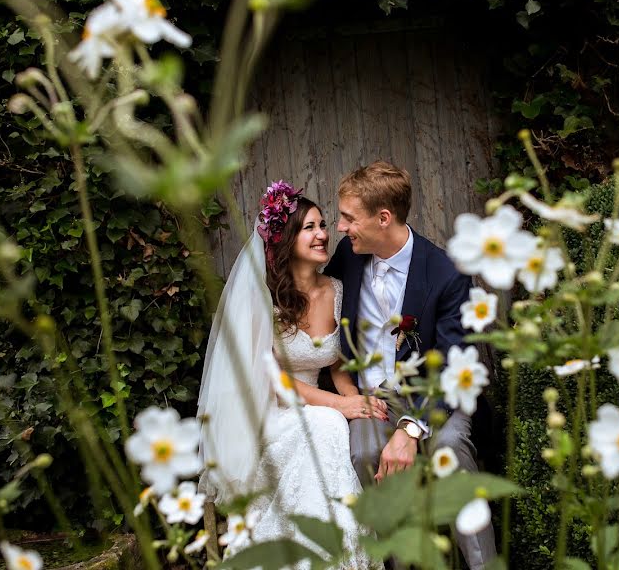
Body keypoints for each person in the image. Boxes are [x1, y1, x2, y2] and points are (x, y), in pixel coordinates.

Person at [197, 181, 385, 568]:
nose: (322, 234)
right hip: (269, 411)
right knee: (328, 425)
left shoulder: (336, 289)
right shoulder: (264, 299)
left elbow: (336, 363)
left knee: (328, 425)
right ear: (285, 239)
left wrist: (357, 400)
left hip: (318, 408)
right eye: (309, 228)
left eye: (322, 225)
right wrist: (340, 404)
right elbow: (270, 379)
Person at [324, 161, 498, 570]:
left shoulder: (447, 274)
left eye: (349, 218)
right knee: (367, 452)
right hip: (373, 396)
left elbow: (455, 364)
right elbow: (313, 296)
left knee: (450, 449)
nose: (340, 227)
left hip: (436, 396)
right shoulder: (348, 257)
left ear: (383, 218)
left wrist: (411, 429)